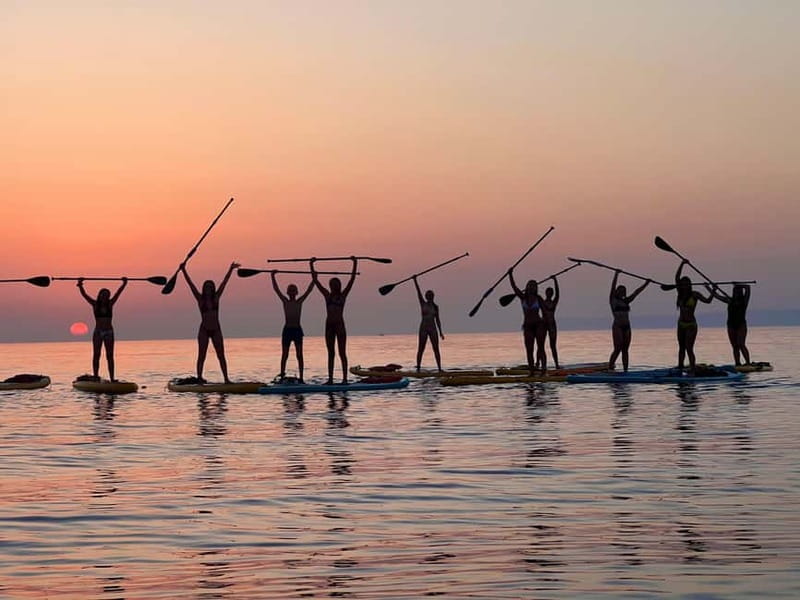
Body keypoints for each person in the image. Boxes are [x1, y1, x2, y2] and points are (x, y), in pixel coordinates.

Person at [181, 262, 239, 383]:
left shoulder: (216, 298)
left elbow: (224, 283)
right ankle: (199, 378)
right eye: (206, 286)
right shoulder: (200, 299)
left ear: (213, 288)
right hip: (204, 330)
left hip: (216, 329)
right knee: (202, 355)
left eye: (210, 286)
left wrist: (231, 269)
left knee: (221, 355)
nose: (208, 288)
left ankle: (226, 379)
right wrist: (184, 271)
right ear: (204, 288)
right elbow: (191, 285)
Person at [311, 257, 357, 384]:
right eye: (332, 284)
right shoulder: (327, 295)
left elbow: (352, 279)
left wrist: (354, 263)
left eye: (336, 284)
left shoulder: (343, 296)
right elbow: (315, 281)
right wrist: (311, 264)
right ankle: (330, 379)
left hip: (339, 325)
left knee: (342, 352)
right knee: (330, 353)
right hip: (329, 326)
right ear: (330, 286)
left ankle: (344, 379)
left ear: (339, 286)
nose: (334, 286)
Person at [77, 277, 128, 381]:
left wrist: (124, 283)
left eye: (107, 295)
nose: (105, 297)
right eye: (103, 295)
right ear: (100, 295)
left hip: (109, 332)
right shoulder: (95, 304)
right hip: (98, 332)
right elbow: (84, 295)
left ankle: (112, 378)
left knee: (110, 356)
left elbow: (119, 293)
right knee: (96, 354)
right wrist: (80, 284)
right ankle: (96, 376)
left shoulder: (110, 304)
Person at [271, 271, 314, 382]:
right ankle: (282, 375)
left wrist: (314, 278)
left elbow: (309, 290)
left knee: (299, 354)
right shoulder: (285, 301)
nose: (291, 292)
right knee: (285, 354)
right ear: (288, 292)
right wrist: (272, 276)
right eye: (290, 290)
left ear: (296, 292)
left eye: (293, 290)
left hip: (297, 330)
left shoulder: (300, 301)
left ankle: (301, 377)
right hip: (287, 330)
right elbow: (276, 290)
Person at [674, 260, 713, 373]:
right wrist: (682, 264)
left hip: (691, 324)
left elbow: (708, 300)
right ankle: (680, 367)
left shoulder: (694, 294)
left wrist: (712, 290)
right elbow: (676, 278)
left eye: (686, 284)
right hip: (681, 324)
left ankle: (692, 369)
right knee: (681, 348)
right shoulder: (680, 293)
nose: (684, 285)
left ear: (689, 285)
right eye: (683, 284)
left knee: (689, 348)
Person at [607, 270, 650, 372]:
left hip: (627, 327)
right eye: (620, 290)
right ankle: (610, 367)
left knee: (625, 350)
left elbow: (636, 292)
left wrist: (646, 283)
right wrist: (616, 274)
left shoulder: (626, 301)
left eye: (623, 291)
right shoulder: (612, 300)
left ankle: (626, 371)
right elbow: (612, 287)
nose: (621, 292)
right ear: (617, 291)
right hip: (617, 326)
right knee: (618, 348)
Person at [508, 267, 547, 375]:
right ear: (527, 287)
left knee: (541, 348)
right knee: (529, 350)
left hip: (539, 325)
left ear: (536, 288)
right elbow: (514, 288)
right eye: (530, 286)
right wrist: (510, 275)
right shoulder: (522, 297)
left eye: (534, 286)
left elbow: (544, 313)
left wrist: (545, 324)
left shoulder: (539, 298)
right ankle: (531, 372)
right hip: (528, 326)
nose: (531, 287)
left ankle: (543, 370)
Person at [707, 283, 751, 366]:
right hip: (731, 325)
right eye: (734, 291)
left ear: (741, 292)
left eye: (738, 291)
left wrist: (739, 285)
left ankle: (748, 362)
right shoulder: (729, 300)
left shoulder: (744, 301)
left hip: (741, 324)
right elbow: (716, 296)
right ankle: (737, 363)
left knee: (741, 344)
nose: (736, 293)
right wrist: (709, 288)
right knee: (735, 346)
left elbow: (748, 288)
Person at [412, 275, 444, 371]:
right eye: (428, 296)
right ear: (426, 297)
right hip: (423, 329)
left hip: (433, 329)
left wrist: (441, 332)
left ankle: (439, 368)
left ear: (433, 297)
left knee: (436, 349)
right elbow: (418, 293)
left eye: (431, 296)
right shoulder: (423, 304)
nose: (429, 297)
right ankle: (418, 367)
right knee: (421, 348)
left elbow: (438, 320)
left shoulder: (436, 307)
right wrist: (415, 281)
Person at [541, 277, 561, 369]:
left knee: (553, 346)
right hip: (543, 325)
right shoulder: (542, 302)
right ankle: (538, 363)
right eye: (548, 292)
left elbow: (558, 293)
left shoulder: (554, 302)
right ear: (546, 293)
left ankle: (556, 364)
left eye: (551, 293)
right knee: (541, 345)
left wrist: (555, 280)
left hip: (552, 325)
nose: (549, 294)